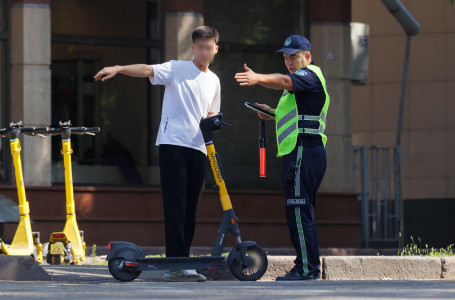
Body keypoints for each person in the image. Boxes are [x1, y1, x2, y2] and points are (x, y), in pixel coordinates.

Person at [94, 26, 221, 282]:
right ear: (193, 48)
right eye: (200, 47)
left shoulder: (215, 80)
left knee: (191, 210)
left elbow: (211, 114)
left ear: (215, 49)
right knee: (176, 208)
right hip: (173, 145)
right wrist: (118, 68)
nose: (205, 52)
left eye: (210, 47)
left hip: (199, 149)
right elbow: (147, 70)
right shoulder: (177, 68)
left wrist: (214, 123)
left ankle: (182, 261)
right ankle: (175, 264)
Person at [235, 35, 329, 281]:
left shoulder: (308, 75)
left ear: (307, 57)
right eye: (286, 57)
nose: (289, 62)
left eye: (294, 57)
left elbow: (285, 81)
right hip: (304, 152)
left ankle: (307, 269)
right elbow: (300, 115)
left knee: (298, 212)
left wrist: (257, 78)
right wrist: (274, 114)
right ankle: (306, 266)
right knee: (300, 212)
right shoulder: (300, 85)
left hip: (303, 152)